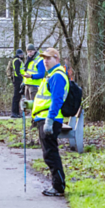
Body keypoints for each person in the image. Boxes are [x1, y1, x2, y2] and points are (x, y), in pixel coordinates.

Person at [31, 47, 69, 197]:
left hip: (50, 120)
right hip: (45, 118)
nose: (45, 61)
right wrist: (28, 104)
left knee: (50, 154)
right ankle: (57, 184)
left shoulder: (57, 76)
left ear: (56, 59)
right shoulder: (50, 75)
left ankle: (58, 186)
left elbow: (57, 100)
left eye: (49, 58)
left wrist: (49, 120)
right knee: (49, 153)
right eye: (44, 58)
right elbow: (44, 99)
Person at [9, 48, 25, 118]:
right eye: (21, 54)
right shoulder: (17, 61)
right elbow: (17, 71)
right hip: (18, 80)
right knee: (16, 97)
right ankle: (14, 113)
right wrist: (21, 79)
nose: (22, 55)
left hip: (17, 80)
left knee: (17, 97)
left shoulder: (16, 60)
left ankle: (16, 113)